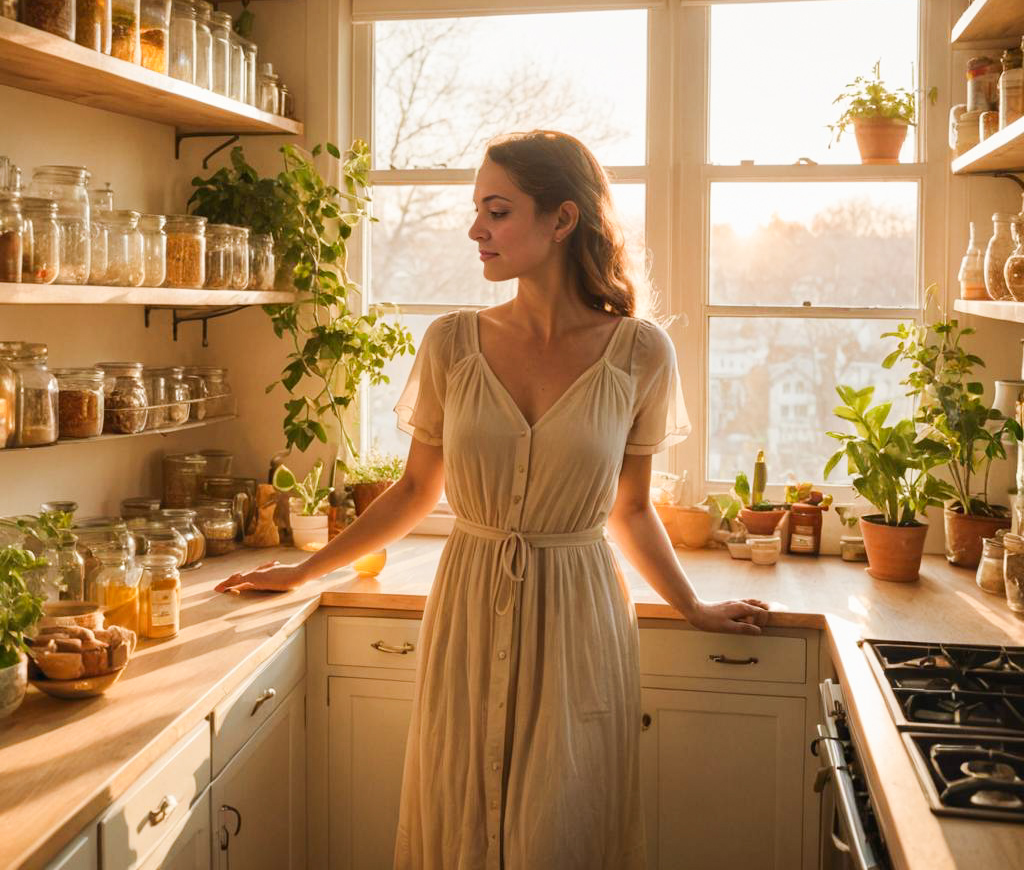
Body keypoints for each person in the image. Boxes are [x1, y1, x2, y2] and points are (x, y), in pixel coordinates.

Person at [215, 129, 771, 869]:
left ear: (562, 219)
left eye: (497, 210)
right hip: (470, 606)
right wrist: (305, 569)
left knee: (563, 826)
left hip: (578, 616)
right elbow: (416, 490)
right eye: (478, 209)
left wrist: (693, 607)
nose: (476, 229)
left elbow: (631, 508)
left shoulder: (639, 352)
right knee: (458, 817)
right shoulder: (451, 343)